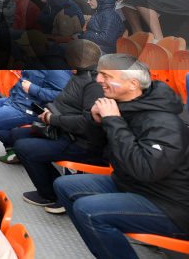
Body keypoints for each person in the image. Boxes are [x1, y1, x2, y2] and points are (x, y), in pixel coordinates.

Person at [54, 54, 189, 258]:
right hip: (132, 185)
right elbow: (94, 148)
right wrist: (95, 120)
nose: (98, 80)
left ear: (132, 84)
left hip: (168, 203)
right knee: (65, 185)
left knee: (89, 211)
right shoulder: (124, 106)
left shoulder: (163, 121)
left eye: (106, 76)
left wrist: (113, 121)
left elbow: (145, 169)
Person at [14, 40, 108, 212]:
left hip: (82, 143)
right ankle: (55, 187)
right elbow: (65, 103)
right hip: (65, 130)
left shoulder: (93, 84)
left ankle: (53, 194)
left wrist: (53, 119)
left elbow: (88, 124)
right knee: (17, 135)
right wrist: (49, 112)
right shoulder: (79, 75)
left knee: (23, 147)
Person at [0, 68, 70, 163]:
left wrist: (33, 89)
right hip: (14, 100)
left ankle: (19, 149)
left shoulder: (56, 69)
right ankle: (12, 148)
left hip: (28, 109)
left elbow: (63, 95)